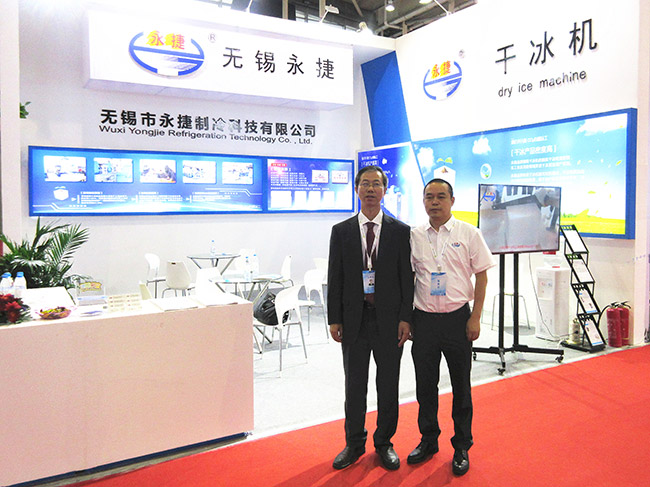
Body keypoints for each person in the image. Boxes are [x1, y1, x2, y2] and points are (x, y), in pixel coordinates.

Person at [328, 165, 414, 471]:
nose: (370, 189)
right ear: (356, 189)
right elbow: (335, 277)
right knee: (354, 385)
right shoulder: (341, 231)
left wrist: (406, 318)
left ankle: (384, 442)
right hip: (354, 320)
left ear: (384, 190)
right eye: (365, 184)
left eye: (376, 184)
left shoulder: (400, 231)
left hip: (389, 321)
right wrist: (334, 318)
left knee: (388, 384)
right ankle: (354, 443)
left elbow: (407, 279)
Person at [407, 178, 495, 476]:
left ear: (452, 201)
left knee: (461, 386)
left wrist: (476, 317)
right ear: (423, 201)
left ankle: (461, 446)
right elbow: (409, 278)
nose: (434, 202)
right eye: (429, 197)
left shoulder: (469, 233)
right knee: (425, 386)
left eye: (441, 197)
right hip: (424, 321)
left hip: (458, 319)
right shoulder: (415, 236)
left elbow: (481, 276)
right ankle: (428, 439)